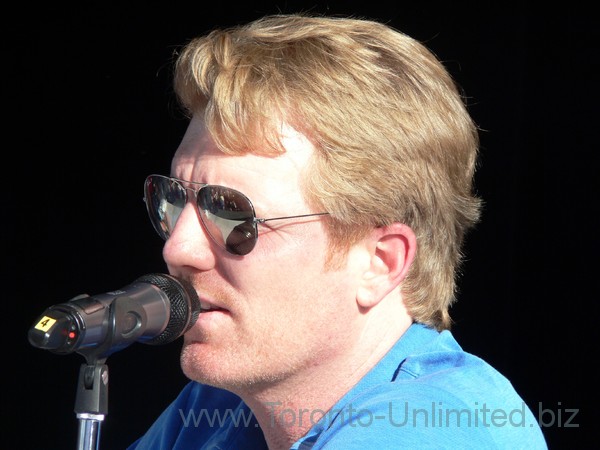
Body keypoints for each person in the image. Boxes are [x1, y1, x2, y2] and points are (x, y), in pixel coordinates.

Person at [129, 13, 547, 449]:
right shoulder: (218, 409)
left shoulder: (433, 426)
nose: (178, 248)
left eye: (233, 215)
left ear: (379, 263)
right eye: (172, 201)